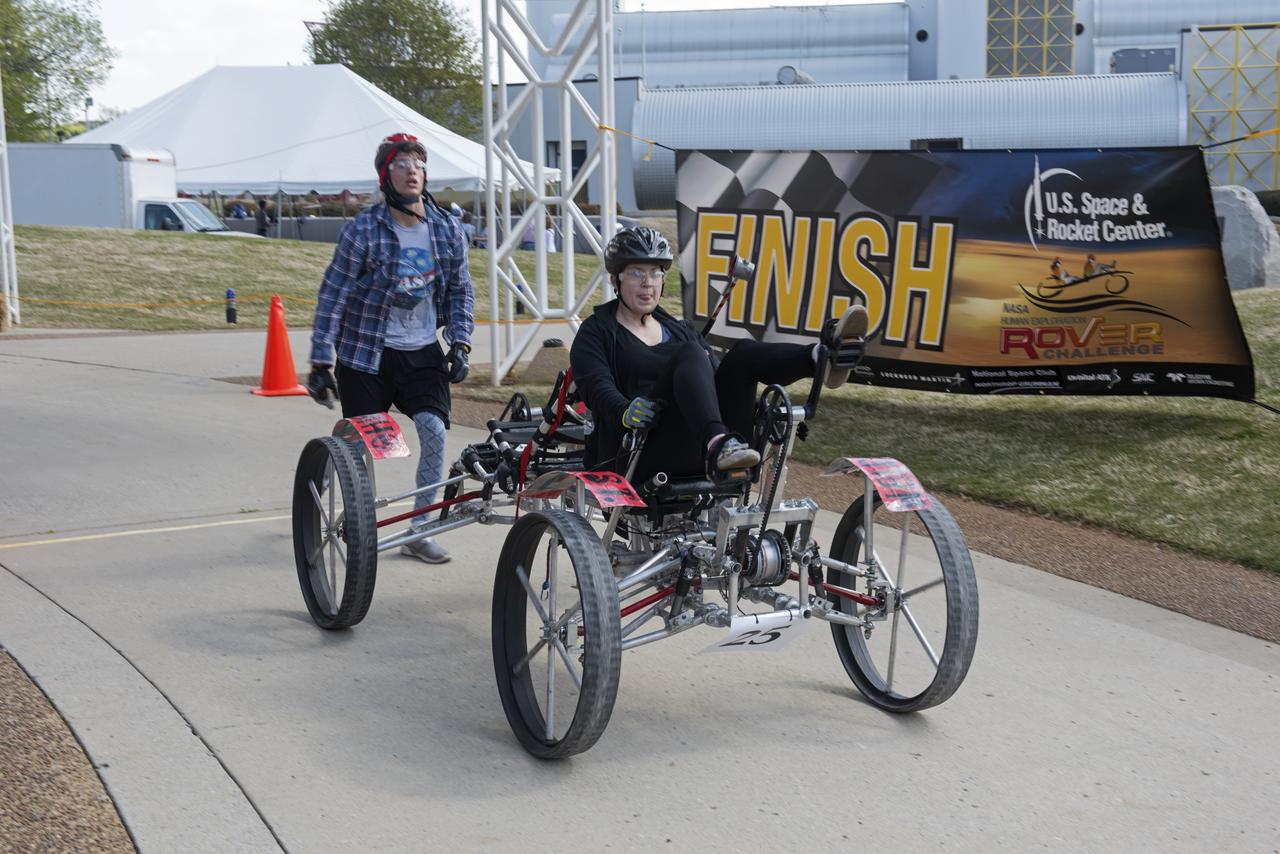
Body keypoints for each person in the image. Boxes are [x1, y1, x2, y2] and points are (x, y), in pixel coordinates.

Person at [570, 226, 866, 485]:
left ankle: (819, 357)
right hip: (641, 451)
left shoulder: (680, 329)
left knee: (741, 355)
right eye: (637, 273)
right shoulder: (597, 332)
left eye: (655, 273)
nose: (648, 282)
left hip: (707, 448)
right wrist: (623, 409)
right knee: (691, 353)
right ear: (615, 280)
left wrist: (761, 414)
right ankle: (718, 443)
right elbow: (595, 386)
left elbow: (715, 382)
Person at [307, 132, 475, 564]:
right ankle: (330, 489)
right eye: (401, 163)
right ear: (386, 175)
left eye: (418, 162)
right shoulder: (364, 229)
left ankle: (419, 530)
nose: (411, 170)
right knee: (362, 447)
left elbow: (460, 290)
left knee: (434, 433)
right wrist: (321, 361)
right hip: (366, 354)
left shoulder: (446, 229)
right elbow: (334, 294)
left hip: (421, 353)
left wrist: (460, 342)